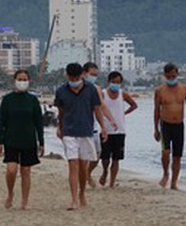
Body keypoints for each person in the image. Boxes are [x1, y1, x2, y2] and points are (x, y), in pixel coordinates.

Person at [54, 62, 108, 210]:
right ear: (67, 76)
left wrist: (103, 127)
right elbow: (61, 112)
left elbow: (97, 110)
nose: (74, 80)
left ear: (82, 75)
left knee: (83, 167)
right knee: (73, 164)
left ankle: (82, 193)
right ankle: (73, 199)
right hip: (69, 132)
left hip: (86, 131)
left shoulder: (91, 89)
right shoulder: (61, 91)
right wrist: (60, 128)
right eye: (72, 77)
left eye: (77, 77)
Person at [0, 69, 44, 210]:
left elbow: (38, 122)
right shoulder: (7, 100)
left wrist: (41, 142)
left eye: (25, 79)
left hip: (29, 140)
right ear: (14, 81)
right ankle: (10, 193)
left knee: (26, 171)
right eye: (20, 79)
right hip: (11, 139)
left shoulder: (33, 100)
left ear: (29, 81)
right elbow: (1, 122)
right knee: (11, 169)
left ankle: (24, 201)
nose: (22, 82)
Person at [153, 63, 186, 190]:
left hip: (179, 125)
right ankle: (166, 173)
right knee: (165, 152)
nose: (171, 78)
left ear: (177, 74)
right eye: (168, 76)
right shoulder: (159, 90)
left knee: (177, 156)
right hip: (165, 125)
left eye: (173, 76)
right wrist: (155, 129)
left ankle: (174, 183)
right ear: (164, 76)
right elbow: (156, 110)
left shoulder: (184, 89)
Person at [81, 62, 118, 188]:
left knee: (97, 154)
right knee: (82, 156)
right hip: (79, 127)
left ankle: (87, 174)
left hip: (93, 127)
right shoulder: (76, 87)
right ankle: (83, 178)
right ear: (84, 73)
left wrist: (111, 120)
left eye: (96, 75)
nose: (94, 77)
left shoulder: (96, 89)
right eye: (92, 74)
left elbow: (101, 106)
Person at [98, 71, 138, 187]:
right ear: (108, 82)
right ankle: (105, 171)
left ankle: (112, 182)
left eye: (118, 82)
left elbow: (134, 105)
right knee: (105, 158)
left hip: (120, 131)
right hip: (106, 130)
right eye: (113, 82)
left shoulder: (123, 94)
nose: (115, 84)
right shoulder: (103, 94)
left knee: (116, 158)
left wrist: (124, 113)